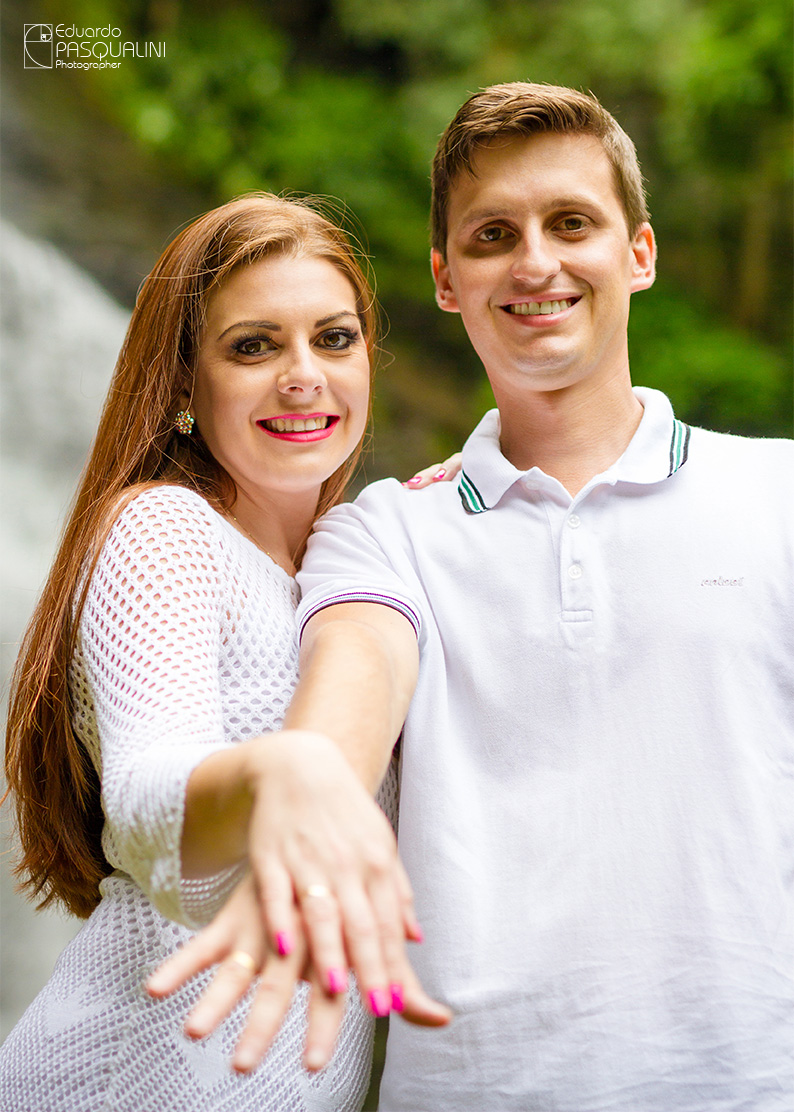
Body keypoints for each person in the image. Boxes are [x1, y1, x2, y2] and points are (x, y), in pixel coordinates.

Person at [162, 84, 794, 1110]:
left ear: (637, 253)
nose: (534, 262)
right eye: (493, 234)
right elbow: (350, 688)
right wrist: (301, 785)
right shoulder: (385, 531)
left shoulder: (778, 494)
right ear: (446, 279)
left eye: (570, 223)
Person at [1, 192, 450, 1112]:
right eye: (254, 346)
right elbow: (144, 796)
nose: (303, 377)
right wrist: (269, 776)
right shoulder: (166, 529)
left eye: (334, 339)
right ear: (180, 386)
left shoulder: (345, 574)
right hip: (131, 1078)